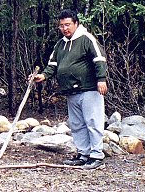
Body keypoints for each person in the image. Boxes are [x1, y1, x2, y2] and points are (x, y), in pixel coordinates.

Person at [30, 9, 108, 170]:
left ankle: (97, 156)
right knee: (77, 124)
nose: (65, 28)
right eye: (61, 26)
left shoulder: (87, 39)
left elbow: (99, 58)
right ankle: (83, 154)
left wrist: (101, 79)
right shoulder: (60, 45)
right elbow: (53, 65)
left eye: (68, 25)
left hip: (89, 88)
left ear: (76, 24)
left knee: (93, 122)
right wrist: (43, 76)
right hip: (71, 91)